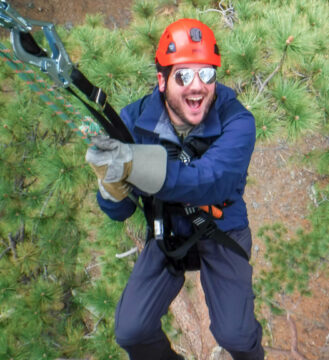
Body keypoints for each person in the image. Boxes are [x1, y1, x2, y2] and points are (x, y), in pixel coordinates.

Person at [85, 18, 264, 360]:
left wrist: (136, 165)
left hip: (221, 223)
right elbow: (119, 212)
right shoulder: (135, 120)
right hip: (166, 227)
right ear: (162, 81)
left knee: (236, 336)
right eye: (183, 75)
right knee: (131, 331)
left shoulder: (237, 120)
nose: (197, 87)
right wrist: (110, 183)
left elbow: (212, 181)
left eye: (206, 74)